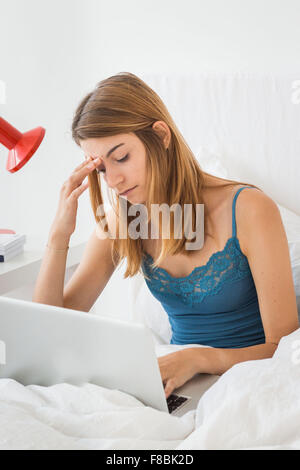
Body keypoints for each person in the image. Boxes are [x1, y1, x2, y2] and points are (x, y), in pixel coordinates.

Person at [33, 72, 299, 399]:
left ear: (161, 136)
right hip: (179, 389)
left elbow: (285, 349)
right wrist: (58, 236)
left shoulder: (249, 209)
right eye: (101, 169)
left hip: (251, 383)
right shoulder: (124, 218)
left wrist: (199, 358)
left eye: (122, 157)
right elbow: (50, 331)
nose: (113, 180)